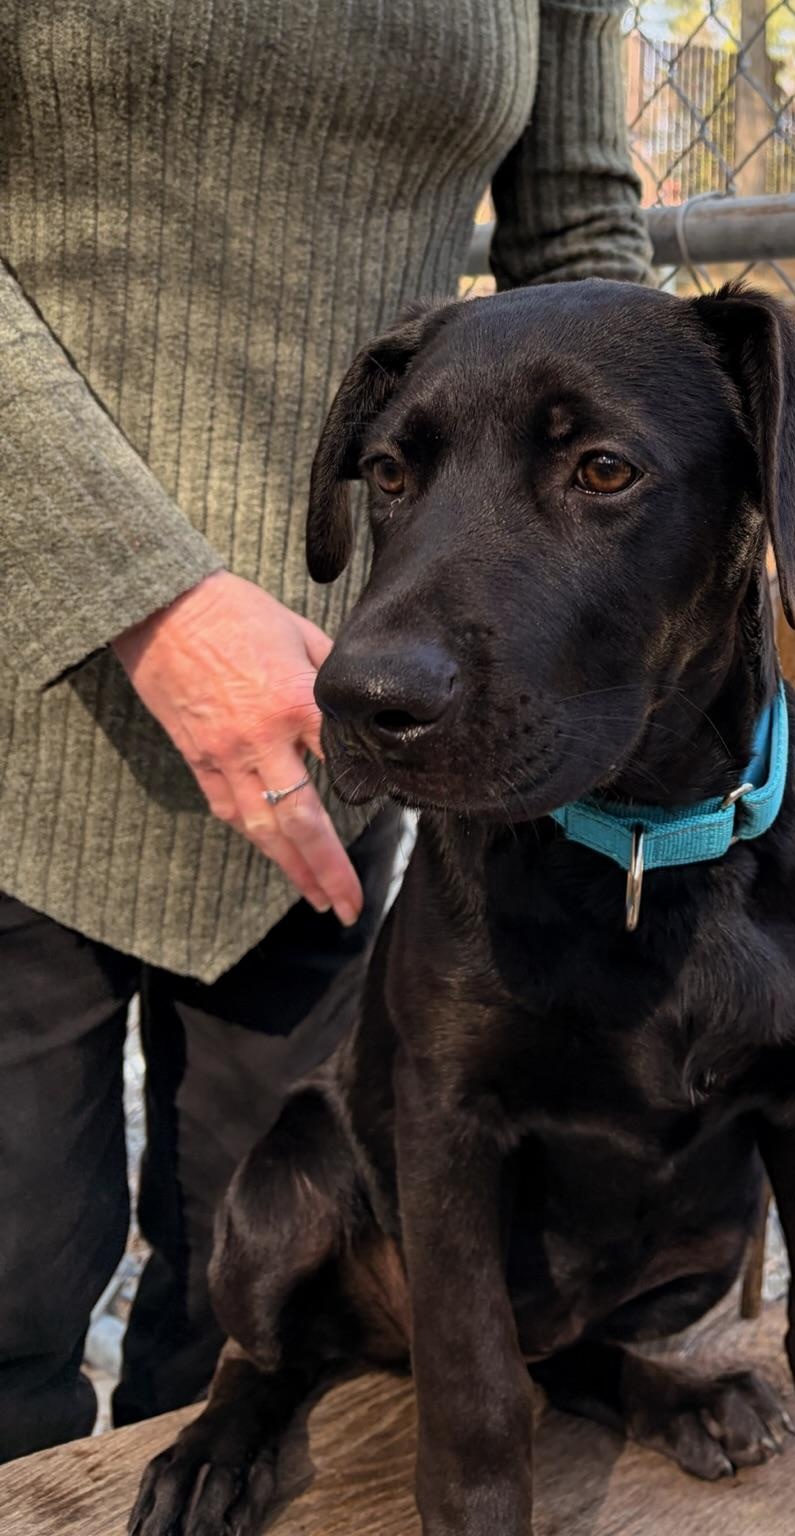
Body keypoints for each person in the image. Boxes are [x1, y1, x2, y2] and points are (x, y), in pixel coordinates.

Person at [0, 0, 651, 1461]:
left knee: (261, 1327)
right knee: (5, 1307)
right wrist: (152, 599)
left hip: (344, 731)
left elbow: (584, 248)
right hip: (18, 688)